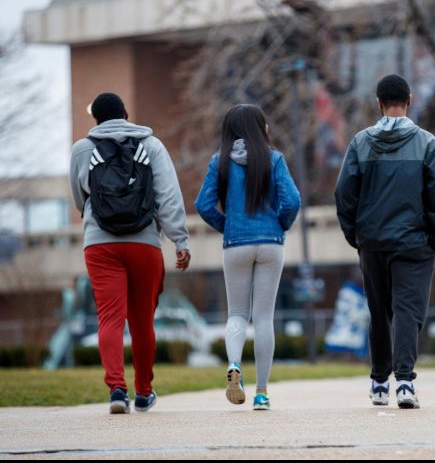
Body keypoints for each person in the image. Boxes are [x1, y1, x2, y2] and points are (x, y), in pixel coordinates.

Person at [69, 92, 191, 414]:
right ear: (125, 113)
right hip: (144, 242)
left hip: (100, 244)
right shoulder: (151, 146)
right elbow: (168, 195)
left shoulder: (82, 149)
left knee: (109, 318)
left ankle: (117, 391)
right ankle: (144, 391)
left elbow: (80, 199)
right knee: (142, 322)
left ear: (95, 119)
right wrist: (180, 240)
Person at [335, 74, 435, 409]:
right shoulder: (427, 143)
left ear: (378, 102)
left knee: (379, 311)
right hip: (414, 243)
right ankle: (404, 382)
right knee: (407, 311)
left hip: (372, 242)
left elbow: (344, 193)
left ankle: (378, 382)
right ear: (410, 100)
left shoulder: (359, 143)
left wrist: (353, 234)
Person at [195, 104, 300, 411]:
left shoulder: (219, 163)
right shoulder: (274, 159)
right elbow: (292, 199)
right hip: (270, 242)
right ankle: (262, 392)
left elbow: (203, 204)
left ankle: (234, 365)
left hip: (235, 243)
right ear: (260, 128)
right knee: (264, 317)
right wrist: (281, 222)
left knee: (237, 314)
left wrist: (225, 225)